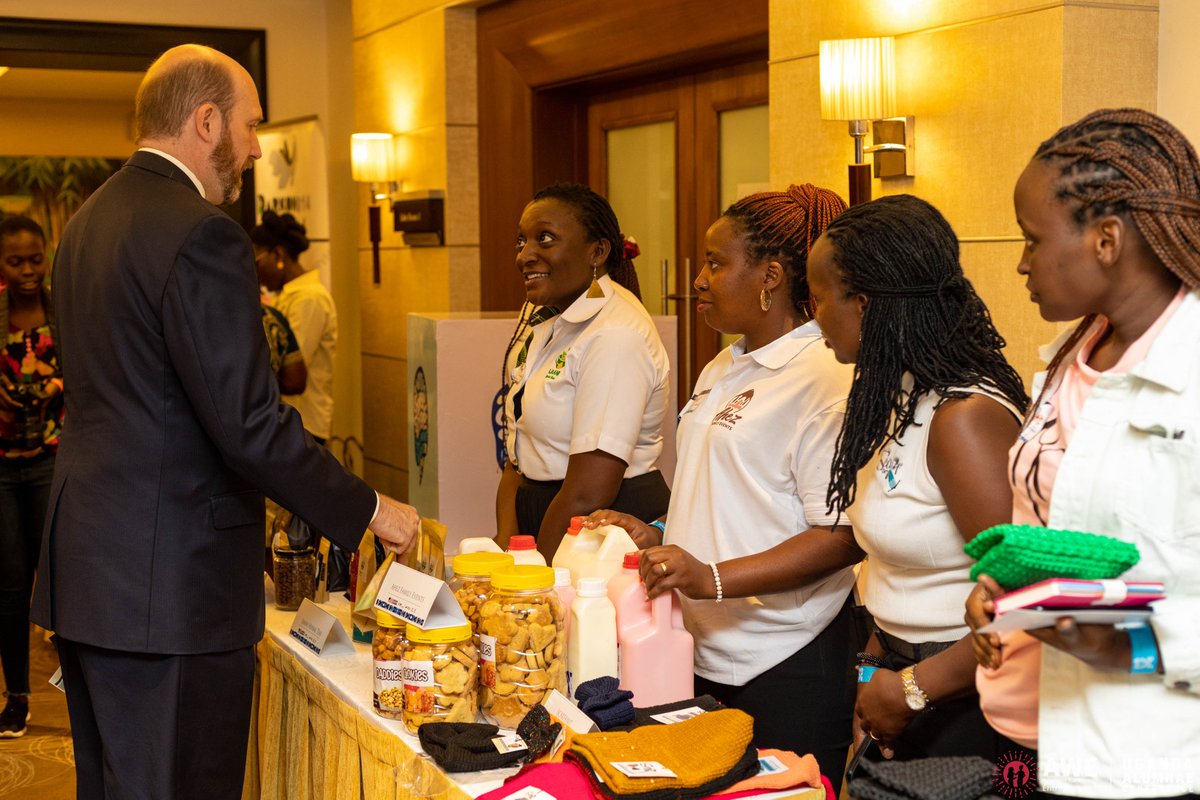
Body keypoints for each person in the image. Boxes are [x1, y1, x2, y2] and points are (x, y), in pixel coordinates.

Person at [29, 44, 418, 799]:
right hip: (172, 584)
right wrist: (370, 509)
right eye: (250, 126)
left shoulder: (85, 225)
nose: (253, 148)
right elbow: (249, 425)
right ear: (206, 120)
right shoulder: (202, 233)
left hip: (92, 570)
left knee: (111, 784)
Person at [590, 184, 861, 792]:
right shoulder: (724, 364)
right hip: (700, 646)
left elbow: (843, 536)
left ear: (770, 276)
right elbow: (728, 492)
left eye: (716, 262)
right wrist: (657, 533)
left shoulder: (822, 372)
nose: (701, 279)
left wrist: (708, 576)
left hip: (787, 656)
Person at [967, 108, 1200, 799]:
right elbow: (1055, 529)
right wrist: (1001, 593)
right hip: (1032, 733)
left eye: (1033, 239)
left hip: (1149, 765)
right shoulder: (1075, 357)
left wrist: (1126, 645)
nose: (1021, 262)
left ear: (1106, 239)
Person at [805, 194, 1029, 763]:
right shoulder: (894, 398)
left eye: (819, 297)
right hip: (901, 677)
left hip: (972, 698)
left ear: (863, 303)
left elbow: (1022, 601)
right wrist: (875, 675)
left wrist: (911, 690)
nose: (814, 315)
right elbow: (894, 565)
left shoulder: (964, 419)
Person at [495, 182, 671, 560]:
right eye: (521, 241)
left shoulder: (616, 333)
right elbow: (518, 454)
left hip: (597, 532)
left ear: (597, 251)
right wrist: (506, 548)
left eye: (544, 239)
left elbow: (589, 490)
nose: (525, 255)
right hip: (548, 518)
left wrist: (535, 577)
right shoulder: (548, 319)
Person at [0, 215, 61, 738]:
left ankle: (81, 692)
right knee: (11, 586)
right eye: (14, 261)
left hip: (52, 461)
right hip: (0, 467)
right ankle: (17, 699)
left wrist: (57, 383)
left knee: (64, 577)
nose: (26, 270)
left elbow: (92, 371)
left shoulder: (61, 309)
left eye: (34, 259)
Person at [251, 210, 335, 442]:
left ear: (278, 254)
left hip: (304, 424)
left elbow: (287, 365)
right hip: (289, 422)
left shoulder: (309, 298)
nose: (255, 272)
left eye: (257, 262)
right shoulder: (286, 296)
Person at [261, 302, 307, 395]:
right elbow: (295, 381)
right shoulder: (270, 315)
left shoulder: (310, 298)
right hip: (266, 405)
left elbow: (295, 381)